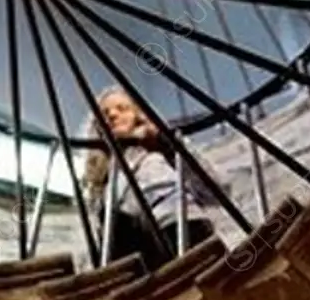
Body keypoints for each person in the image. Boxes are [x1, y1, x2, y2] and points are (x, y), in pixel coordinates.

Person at [82, 86, 225, 270]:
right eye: (104, 114)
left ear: (137, 115)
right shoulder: (107, 180)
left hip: (186, 231)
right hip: (143, 254)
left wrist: (164, 143)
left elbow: (215, 190)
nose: (112, 115)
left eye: (121, 108)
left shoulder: (162, 152)